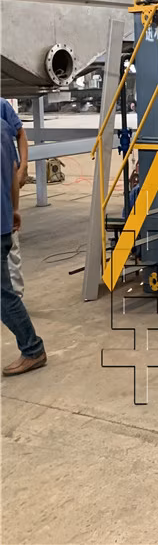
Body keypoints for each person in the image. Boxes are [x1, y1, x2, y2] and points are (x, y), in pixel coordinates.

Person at [1, 118, 45, 376]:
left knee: (3, 296)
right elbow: (14, 171)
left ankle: (32, 348)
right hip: (4, 219)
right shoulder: (2, 128)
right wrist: (15, 210)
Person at [0, 98, 28, 297]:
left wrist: (23, 165)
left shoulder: (2, 106)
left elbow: (20, 134)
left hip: (5, 189)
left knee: (11, 247)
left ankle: (15, 297)